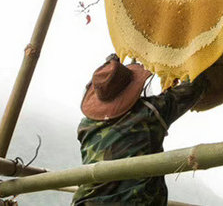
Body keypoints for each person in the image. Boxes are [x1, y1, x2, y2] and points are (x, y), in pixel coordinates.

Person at [72, 54, 209, 206]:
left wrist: (110, 68)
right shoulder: (149, 113)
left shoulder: (85, 126)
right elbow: (194, 86)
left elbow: (103, 86)